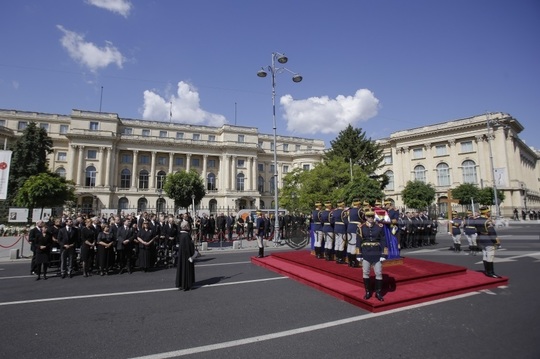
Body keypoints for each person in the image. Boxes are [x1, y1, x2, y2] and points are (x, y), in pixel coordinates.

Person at [357, 209, 388, 301]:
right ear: (365, 217)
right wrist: (358, 254)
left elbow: (383, 240)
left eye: (372, 216)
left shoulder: (379, 226)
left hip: (377, 252)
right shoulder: (361, 227)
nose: (371, 218)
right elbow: (358, 241)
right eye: (369, 216)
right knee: (366, 272)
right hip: (366, 252)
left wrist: (384, 253)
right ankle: (367, 291)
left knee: (378, 272)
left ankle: (378, 292)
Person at [475, 207, 503, 278]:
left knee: (484, 255)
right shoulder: (487, 221)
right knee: (490, 256)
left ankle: (486, 271)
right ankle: (491, 272)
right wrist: (496, 241)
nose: (489, 213)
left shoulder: (476, 220)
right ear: (486, 213)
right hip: (488, 240)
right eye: (489, 212)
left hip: (481, 238)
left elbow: (477, 230)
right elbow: (492, 232)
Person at [175, 220, 195, 291]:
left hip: (182, 254)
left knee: (181, 268)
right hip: (187, 255)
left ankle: (181, 283)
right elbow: (189, 246)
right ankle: (186, 284)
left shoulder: (181, 235)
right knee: (186, 269)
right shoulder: (186, 236)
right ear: (186, 227)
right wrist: (192, 242)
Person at [346, 199, 362, 267]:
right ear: (358, 204)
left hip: (349, 227)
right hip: (355, 228)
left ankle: (349, 261)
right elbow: (363, 218)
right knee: (354, 245)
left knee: (349, 245)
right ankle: (353, 261)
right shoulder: (359, 210)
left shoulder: (349, 211)